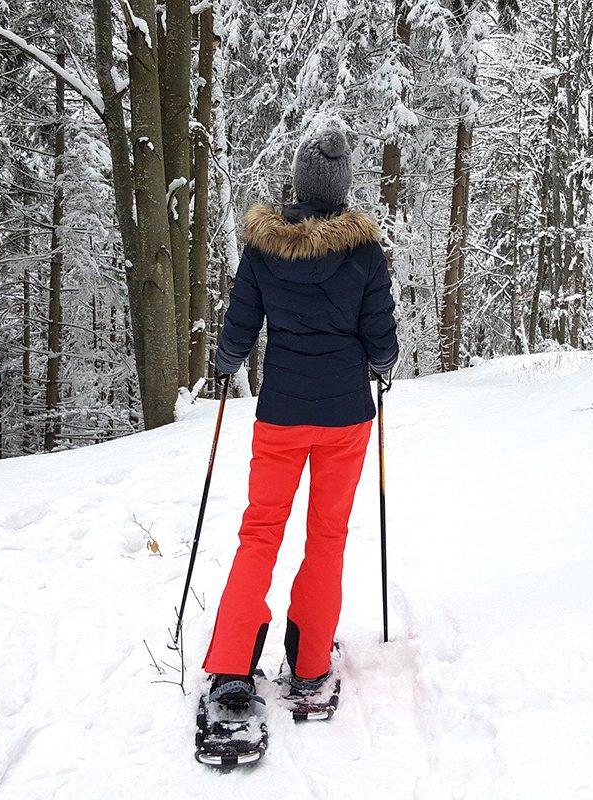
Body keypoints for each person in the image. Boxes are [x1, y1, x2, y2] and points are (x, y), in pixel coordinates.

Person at [202, 125, 399, 709]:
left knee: (259, 533)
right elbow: (382, 338)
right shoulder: (363, 252)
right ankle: (311, 665)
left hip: (282, 413)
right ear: (340, 188)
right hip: (345, 418)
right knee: (328, 536)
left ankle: (233, 666)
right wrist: (382, 362)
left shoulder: (264, 248)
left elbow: (241, 324)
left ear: (297, 181)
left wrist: (224, 362)